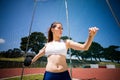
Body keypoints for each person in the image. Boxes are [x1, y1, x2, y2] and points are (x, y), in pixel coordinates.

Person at [31, 22, 99, 80]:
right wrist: (30, 61)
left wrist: (90, 36)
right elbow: (37, 56)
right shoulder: (47, 45)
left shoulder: (66, 42)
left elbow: (85, 47)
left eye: (62, 28)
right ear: (52, 29)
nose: (61, 30)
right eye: (59, 28)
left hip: (64, 75)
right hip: (49, 75)